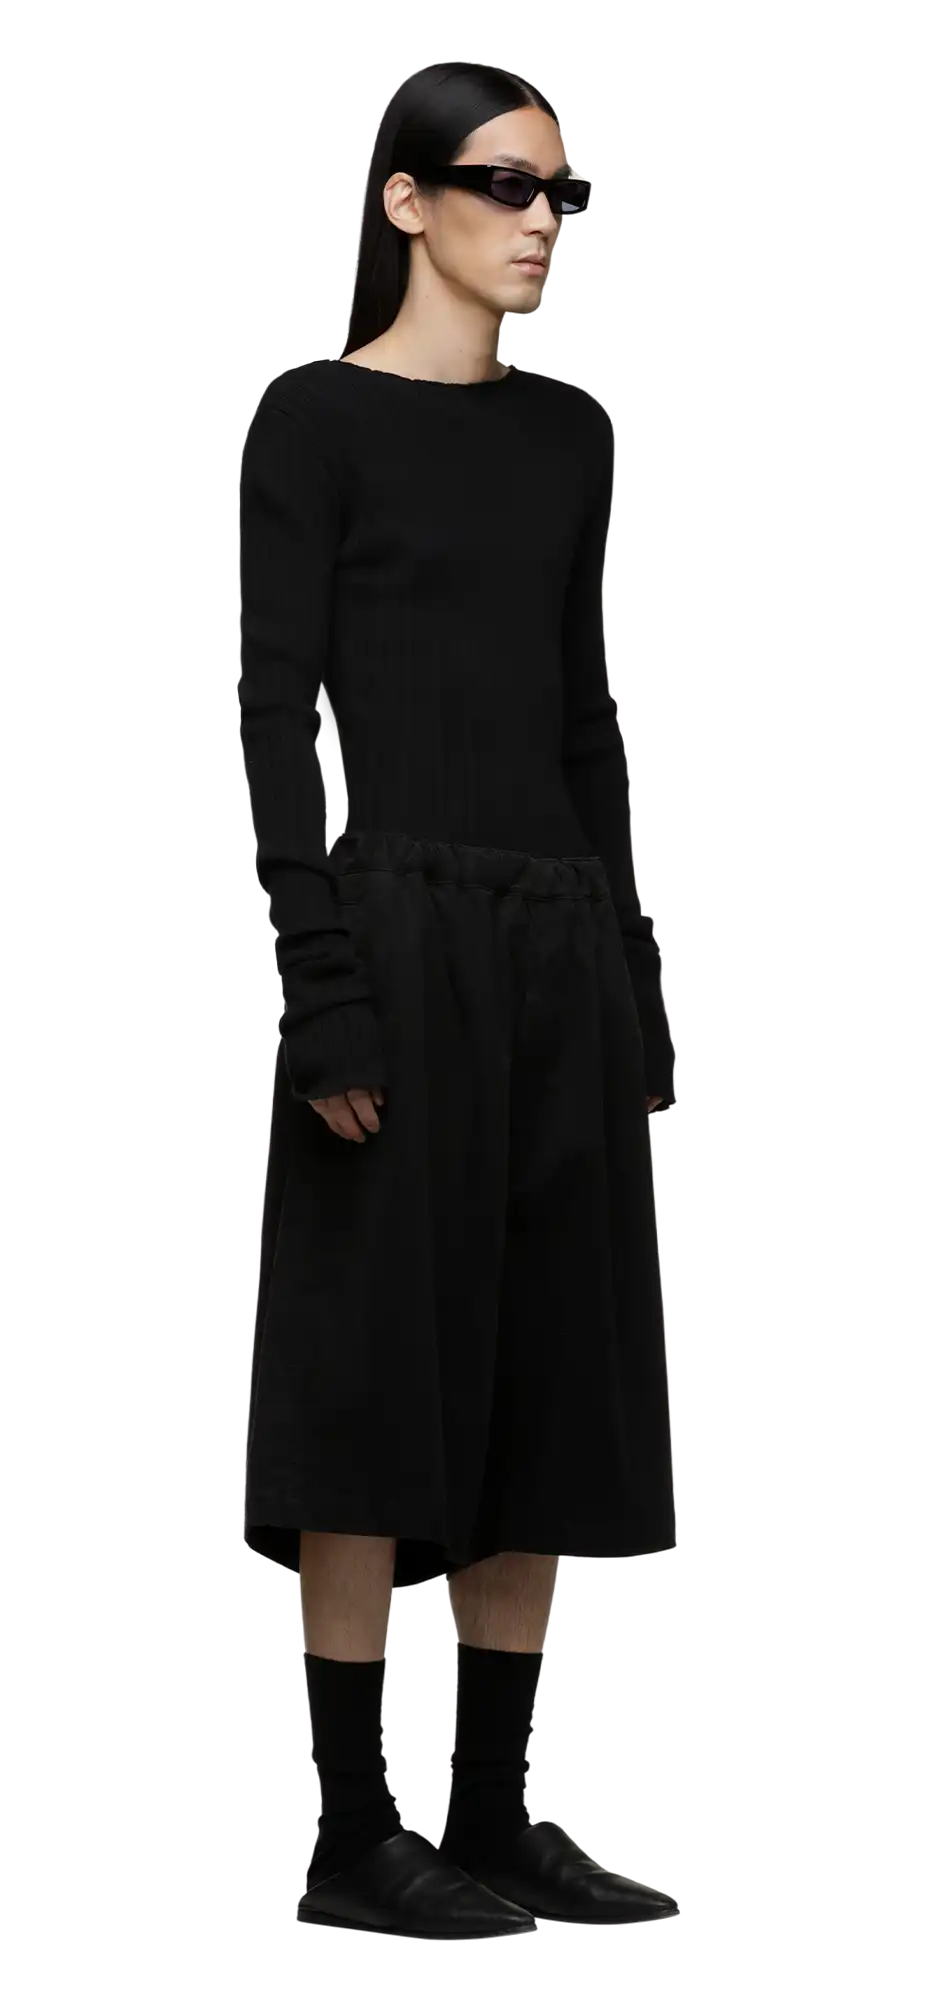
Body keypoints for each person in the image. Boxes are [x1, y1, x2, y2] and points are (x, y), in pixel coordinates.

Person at [237, 60, 680, 1941]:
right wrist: (322, 986)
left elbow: (584, 714)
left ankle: (491, 1816)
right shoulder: (310, 419)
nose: (542, 222)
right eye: (505, 184)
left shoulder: (567, 434)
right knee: (369, 1377)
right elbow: (280, 717)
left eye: (564, 193)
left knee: (540, 1379)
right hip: (396, 936)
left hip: (553, 938)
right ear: (407, 201)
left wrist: (632, 972)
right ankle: (354, 1836)